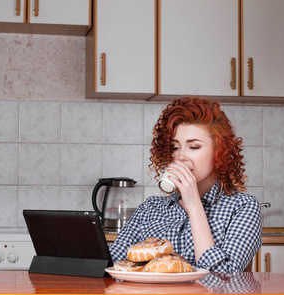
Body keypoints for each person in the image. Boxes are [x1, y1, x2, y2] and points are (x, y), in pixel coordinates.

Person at [109, 97, 262, 272]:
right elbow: (109, 265)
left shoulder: (242, 207)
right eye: (175, 147)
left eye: (194, 147)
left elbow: (223, 277)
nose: (181, 157)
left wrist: (194, 205)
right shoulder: (150, 209)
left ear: (219, 151)